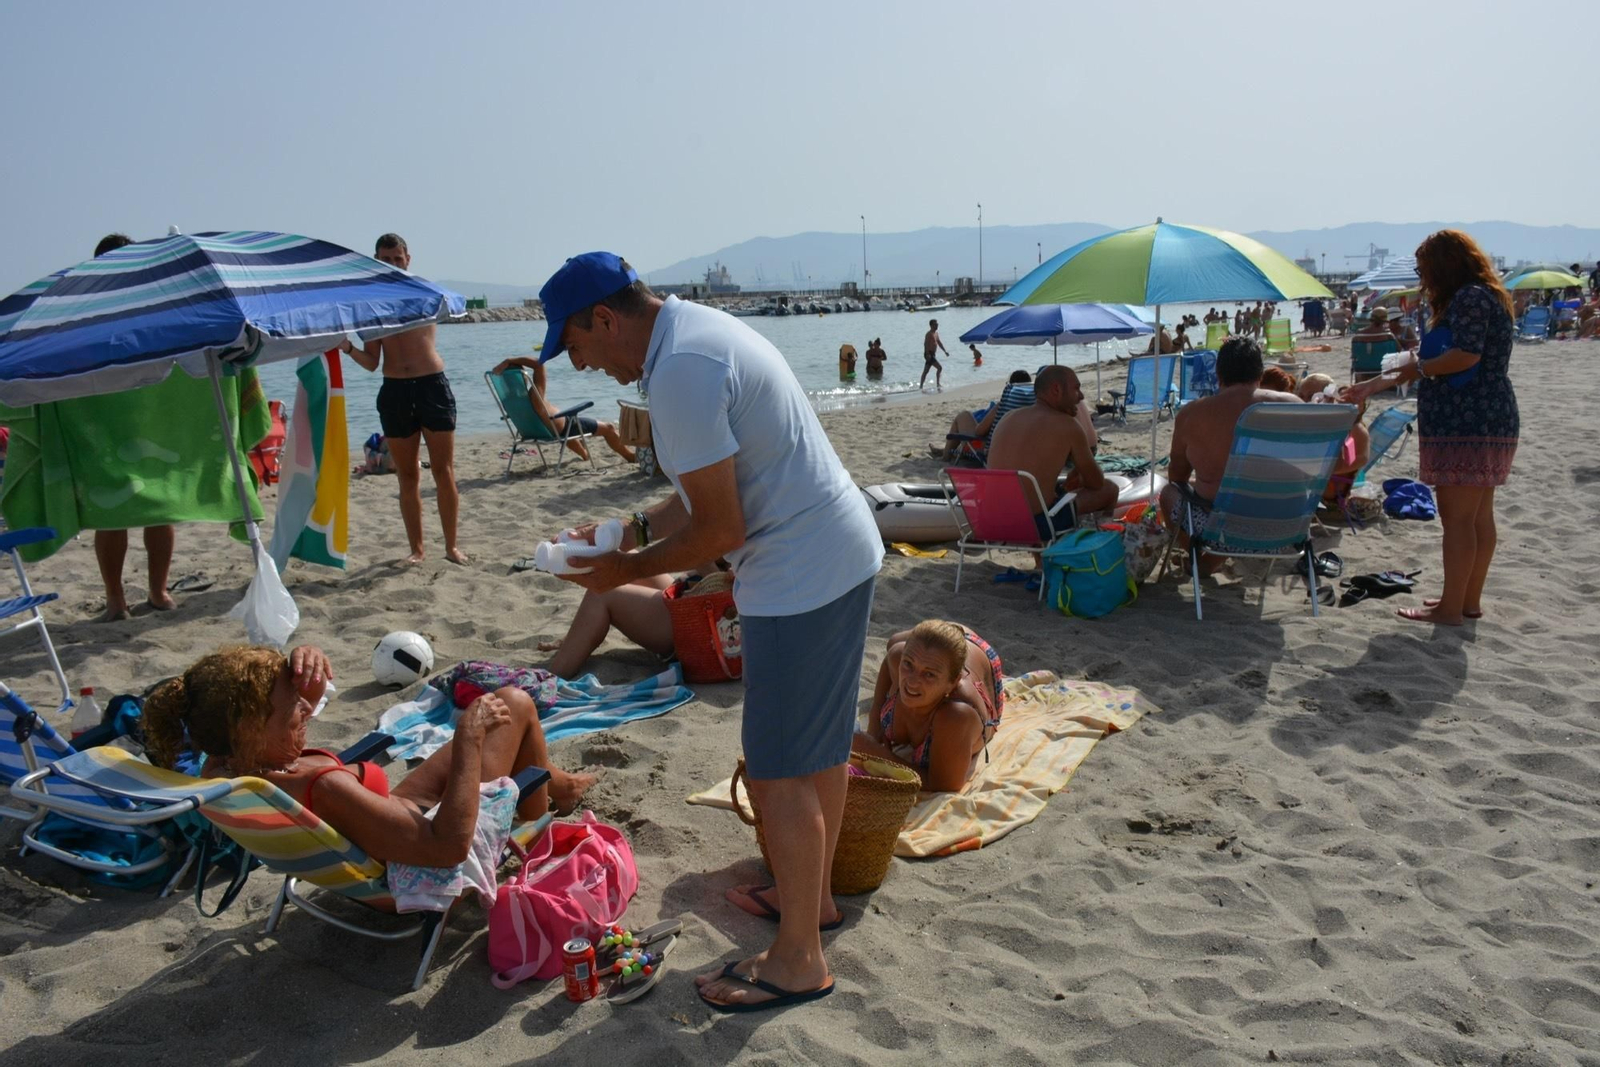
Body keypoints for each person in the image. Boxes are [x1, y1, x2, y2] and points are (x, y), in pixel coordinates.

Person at [534, 252, 881, 1012]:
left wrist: (621, 569)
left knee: (776, 768)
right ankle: (813, 901)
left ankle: (798, 959)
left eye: (579, 346)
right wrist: (624, 528)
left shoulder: (680, 373)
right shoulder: (695, 332)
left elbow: (721, 525)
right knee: (816, 748)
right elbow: (708, 492)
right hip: (836, 549)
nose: (583, 365)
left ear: (604, 317)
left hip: (799, 572)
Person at [141, 645, 596, 865]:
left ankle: (557, 784)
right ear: (248, 729)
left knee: (511, 704)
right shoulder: (326, 786)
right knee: (512, 706)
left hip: (393, 816)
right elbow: (448, 847)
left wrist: (303, 687)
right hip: (427, 838)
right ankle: (539, 827)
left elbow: (262, 718)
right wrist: (468, 738)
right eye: (293, 707)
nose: (307, 708)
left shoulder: (224, 766)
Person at [1341, 229, 1519, 625]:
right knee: (1477, 516)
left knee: (1458, 519)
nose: (1424, 279)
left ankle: (1452, 609)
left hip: (1467, 419)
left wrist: (1417, 368)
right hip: (1488, 415)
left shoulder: (1470, 297)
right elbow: (1445, 354)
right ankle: (1464, 601)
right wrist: (1375, 383)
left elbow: (1465, 356)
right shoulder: (1486, 295)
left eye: (1426, 270)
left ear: (1445, 266)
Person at [342, 235, 467, 565]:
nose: (393, 264)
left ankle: (452, 547)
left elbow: (455, 304)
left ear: (408, 259)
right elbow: (372, 362)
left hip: (432, 386)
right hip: (395, 389)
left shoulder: (426, 292)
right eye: (386, 259)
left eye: (398, 259)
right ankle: (417, 550)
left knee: (444, 470)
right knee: (407, 475)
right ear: (376, 260)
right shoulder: (369, 306)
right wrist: (347, 347)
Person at [84, 234, 179, 620]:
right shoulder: (90, 309)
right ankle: (116, 598)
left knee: (160, 504)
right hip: (103, 421)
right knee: (113, 511)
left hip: (149, 418)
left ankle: (156, 591)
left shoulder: (150, 303)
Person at [1158, 337, 1301, 570]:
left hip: (1221, 532)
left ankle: (1202, 564)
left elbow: (1177, 477)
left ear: (1218, 373)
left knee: (1168, 493)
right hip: (1285, 526)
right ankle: (1209, 562)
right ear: (1260, 373)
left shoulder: (1192, 413)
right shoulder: (1293, 405)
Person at [851, 621, 1004, 792]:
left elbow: (943, 784)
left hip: (976, 652)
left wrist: (877, 753)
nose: (912, 681)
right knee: (894, 642)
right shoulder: (898, 658)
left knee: (924, 654)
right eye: (908, 664)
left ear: (952, 683)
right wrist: (875, 727)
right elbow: (891, 659)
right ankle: (941, 636)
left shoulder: (956, 715)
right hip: (942, 641)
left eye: (929, 674)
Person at [986, 366, 1116, 541]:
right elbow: (1096, 483)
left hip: (991, 521)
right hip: (1035, 526)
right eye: (1076, 389)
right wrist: (1079, 475)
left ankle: (1039, 557)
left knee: (1044, 498)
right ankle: (1100, 545)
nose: (1081, 396)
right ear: (1056, 389)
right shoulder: (1068, 425)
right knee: (1109, 489)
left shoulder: (1008, 417)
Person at [537, 564, 729, 678]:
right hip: (702, 595)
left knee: (601, 593)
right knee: (622, 560)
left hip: (714, 622)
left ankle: (550, 679)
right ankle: (578, 638)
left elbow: (719, 579)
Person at [489, 355, 637, 463]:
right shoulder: (534, 396)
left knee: (566, 425)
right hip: (563, 428)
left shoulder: (510, 401)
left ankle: (585, 455)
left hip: (539, 431)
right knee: (609, 428)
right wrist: (510, 360)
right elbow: (539, 364)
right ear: (521, 378)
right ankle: (630, 457)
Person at [931, 370, 1032, 461]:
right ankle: (947, 450)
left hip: (992, 452)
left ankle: (946, 457)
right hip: (1019, 453)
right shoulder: (1034, 408)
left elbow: (979, 431)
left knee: (964, 415)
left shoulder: (1003, 405)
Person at [921, 318, 950, 390]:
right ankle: (938, 384)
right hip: (929, 354)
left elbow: (939, 343)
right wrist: (927, 354)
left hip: (933, 354)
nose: (937, 326)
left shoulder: (936, 334)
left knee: (926, 371)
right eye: (935, 325)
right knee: (939, 367)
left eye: (937, 324)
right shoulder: (929, 334)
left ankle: (921, 386)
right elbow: (926, 344)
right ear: (931, 325)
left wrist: (945, 351)